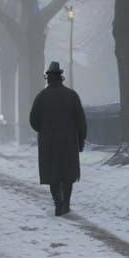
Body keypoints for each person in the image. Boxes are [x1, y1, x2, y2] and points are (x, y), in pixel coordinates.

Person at [29, 61, 88, 216]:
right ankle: (66, 203)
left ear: (49, 78)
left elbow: (33, 120)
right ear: (60, 77)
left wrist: (43, 130)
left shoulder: (41, 97)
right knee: (68, 174)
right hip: (69, 142)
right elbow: (81, 120)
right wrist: (80, 139)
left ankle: (57, 203)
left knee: (53, 174)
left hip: (48, 143)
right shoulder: (72, 95)